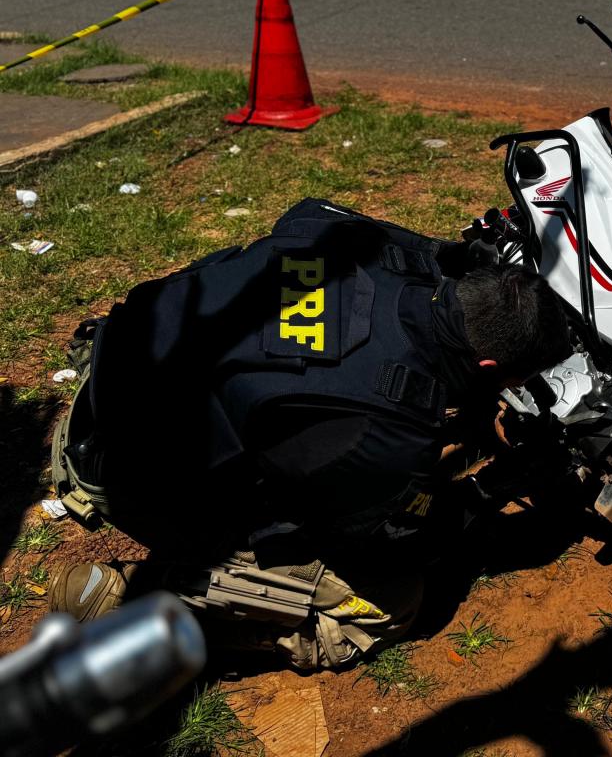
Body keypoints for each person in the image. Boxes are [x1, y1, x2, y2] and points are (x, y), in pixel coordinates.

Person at [47, 198, 572, 670]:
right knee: (391, 604)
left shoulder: (367, 247)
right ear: (487, 363)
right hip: (121, 469)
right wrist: (482, 499)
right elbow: (380, 542)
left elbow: (307, 211)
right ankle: (131, 605)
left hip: (117, 378)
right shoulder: (383, 424)